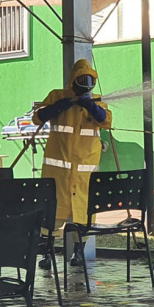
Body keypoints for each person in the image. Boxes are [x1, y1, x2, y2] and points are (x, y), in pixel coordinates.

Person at [33, 58, 112, 267]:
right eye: (81, 81)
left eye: (89, 82)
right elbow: (37, 118)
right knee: (52, 211)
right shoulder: (57, 96)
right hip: (57, 171)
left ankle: (78, 253)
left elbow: (106, 120)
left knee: (83, 212)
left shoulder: (96, 101)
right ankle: (46, 253)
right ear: (72, 81)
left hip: (84, 172)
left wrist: (91, 107)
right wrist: (56, 108)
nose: (85, 86)